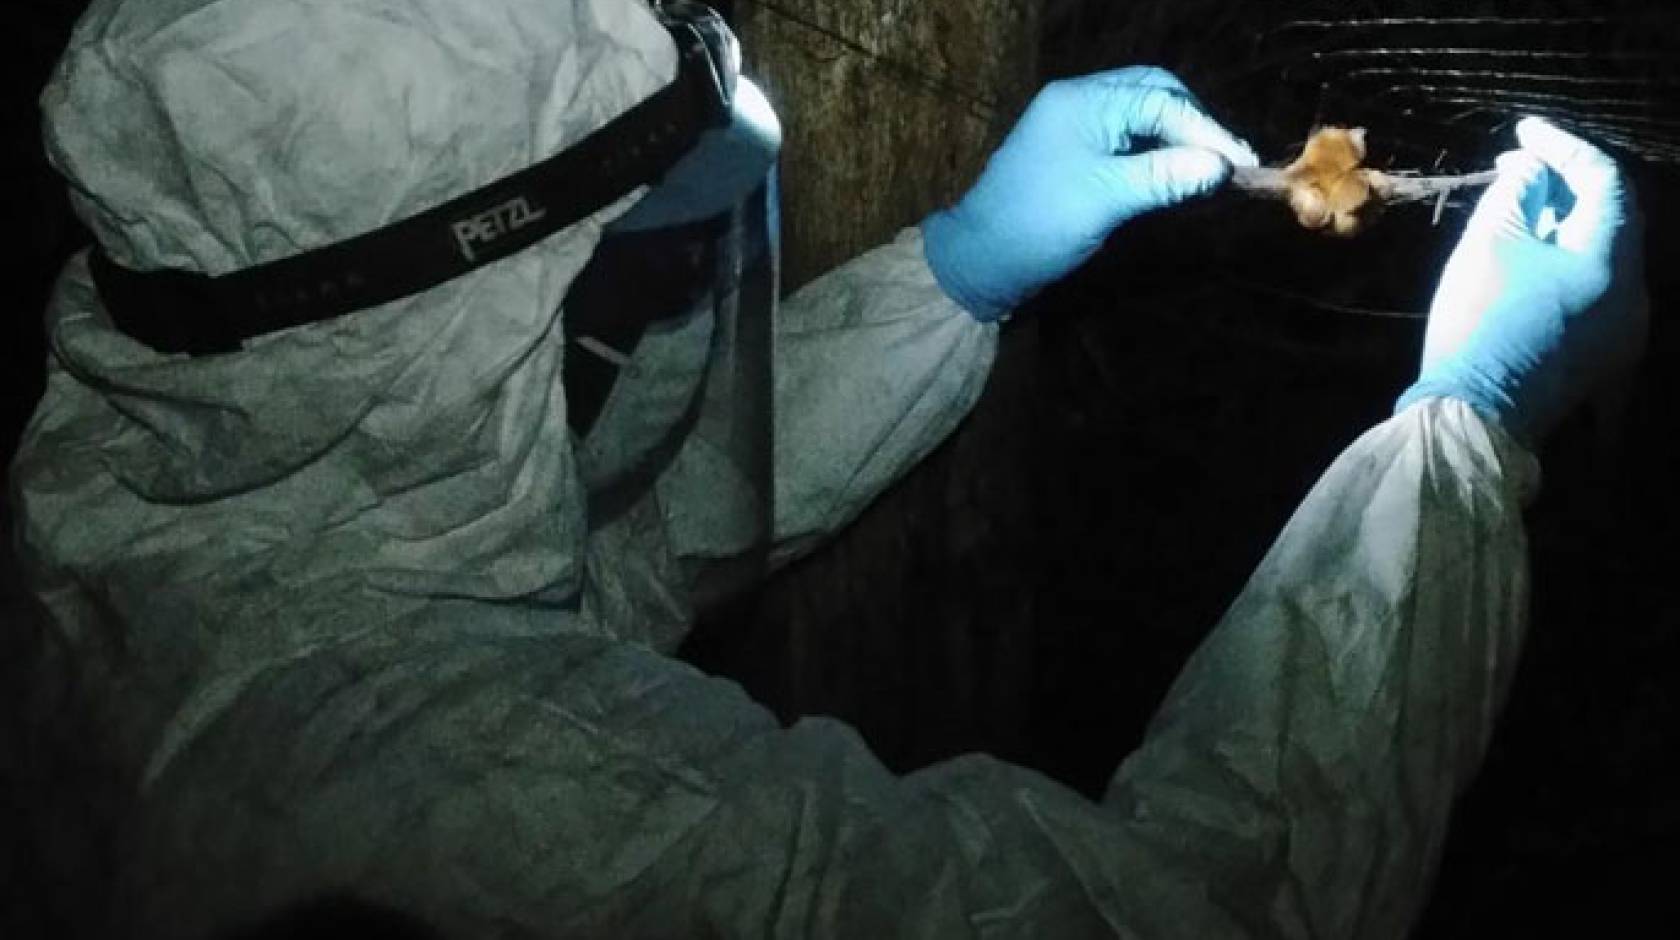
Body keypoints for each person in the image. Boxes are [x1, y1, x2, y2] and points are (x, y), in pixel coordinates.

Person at [7, 0, 1646, 937]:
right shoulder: (515, 843)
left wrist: (949, 276)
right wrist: (1468, 432)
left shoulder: (143, 508)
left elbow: (603, 566)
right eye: (608, 242)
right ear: (461, 304)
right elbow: (1199, 912)